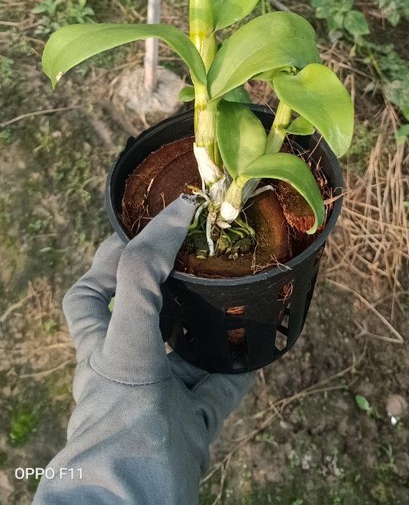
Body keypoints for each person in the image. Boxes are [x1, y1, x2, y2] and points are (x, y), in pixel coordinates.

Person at [33, 197, 255, 504]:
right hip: (171, 449)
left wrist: (166, 472)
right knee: (84, 299)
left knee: (83, 299)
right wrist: (188, 200)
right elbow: (139, 264)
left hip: (173, 462)